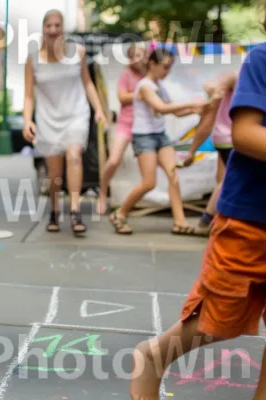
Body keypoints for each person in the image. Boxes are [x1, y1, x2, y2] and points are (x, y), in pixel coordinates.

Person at [129, 42, 266, 400]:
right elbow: (244, 132)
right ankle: (155, 356)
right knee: (218, 320)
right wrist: (192, 143)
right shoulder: (261, 59)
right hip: (251, 218)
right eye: (165, 66)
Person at [22, 9, 107, 236]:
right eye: (48, 25)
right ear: (43, 29)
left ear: (63, 27)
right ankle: (54, 209)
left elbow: (88, 83)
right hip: (48, 118)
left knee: (74, 156)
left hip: (76, 114)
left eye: (57, 25)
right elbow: (29, 95)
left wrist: (99, 109)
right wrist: (27, 120)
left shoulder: (77, 52)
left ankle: (75, 211)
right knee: (55, 173)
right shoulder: (33, 60)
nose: (52, 30)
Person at [108, 49, 206, 235]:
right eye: (165, 67)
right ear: (152, 64)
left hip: (160, 136)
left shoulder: (160, 85)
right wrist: (192, 104)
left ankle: (180, 222)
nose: (167, 72)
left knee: (173, 176)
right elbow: (161, 107)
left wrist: (197, 110)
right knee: (149, 183)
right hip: (144, 137)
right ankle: (119, 213)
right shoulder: (144, 86)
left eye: (169, 68)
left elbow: (175, 111)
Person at [182, 71, 238, 236]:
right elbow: (207, 118)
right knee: (228, 181)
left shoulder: (233, 83)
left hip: (224, 139)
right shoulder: (237, 78)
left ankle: (215, 220)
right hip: (231, 139)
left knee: (222, 181)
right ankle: (207, 220)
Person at [97, 43, 147, 215]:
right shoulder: (127, 74)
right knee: (114, 160)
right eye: (132, 56)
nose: (135, 60)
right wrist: (141, 95)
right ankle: (102, 193)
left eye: (138, 55)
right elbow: (122, 96)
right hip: (126, 124)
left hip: (144, 126)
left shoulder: (149, 76)